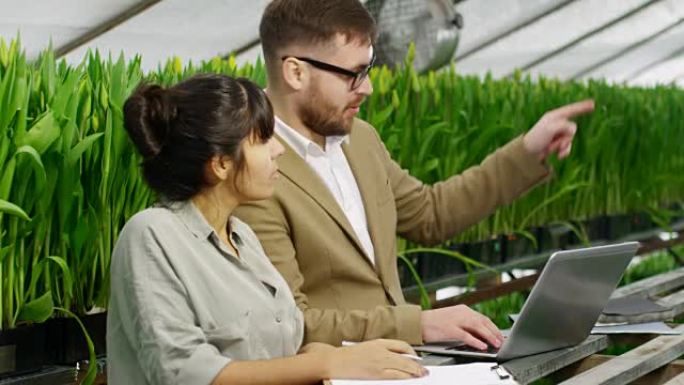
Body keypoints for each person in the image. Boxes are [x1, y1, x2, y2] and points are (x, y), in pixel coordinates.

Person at [233, 0, 595, 350]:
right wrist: (417, 324)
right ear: (295, 71)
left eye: (369, 70)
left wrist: (527, 152)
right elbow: (293, 323)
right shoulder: (254, 171)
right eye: (353, 74)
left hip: (399, 367)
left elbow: (430, 213)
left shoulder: (359, 139)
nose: (368, 88)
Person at [107, 74, 427, 385]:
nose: (279, 149)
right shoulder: (151, 235)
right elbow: (183, 372)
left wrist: (330, 353)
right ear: (220, 164)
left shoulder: (242, 237)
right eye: (262, 139)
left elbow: (286, 340)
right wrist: (323, 362)